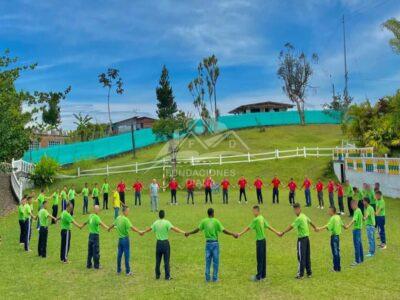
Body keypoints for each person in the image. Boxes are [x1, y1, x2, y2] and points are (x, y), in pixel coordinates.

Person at [185, 208, 237, 282]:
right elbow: (224, 230)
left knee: (208, 261)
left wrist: (189, 233)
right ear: (213, 213)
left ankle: (207, 278)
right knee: (216, 262)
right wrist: (233, 234)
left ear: (207, 214)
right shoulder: (216, 221)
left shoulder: (204, 221)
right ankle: (215, 278)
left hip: (208, 244)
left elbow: (197, 229)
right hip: (215, 244)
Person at [237, 206, 281, 281]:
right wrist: (277, 232)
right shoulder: (262, 218)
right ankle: (263, 276)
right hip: (264, 241)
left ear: (257, 211)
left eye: (254, 211)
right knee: (263, 258)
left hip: (260, 241)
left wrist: (240, 234)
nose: (253, 213)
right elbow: (268, 226)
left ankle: (258, 277)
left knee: (259, 259)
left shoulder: (256, 220)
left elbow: (248, 228)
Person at [142, 210, 186, 280]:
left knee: (158, 260)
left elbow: (149, 229)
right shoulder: (166, 222)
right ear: (164, 215)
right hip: (165, 243)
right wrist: (183, 232)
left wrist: (143, 232)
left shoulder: (156, 223)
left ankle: (157, 275)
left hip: (158, 243)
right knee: (166, 260)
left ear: (158, 215)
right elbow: (175, 229)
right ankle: (167, 276)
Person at [280, 203, 317, 279]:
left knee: (301, 257)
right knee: (307, 256)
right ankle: (309, 272)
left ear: (299, 209)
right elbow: (310, 222)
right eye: (294, 210)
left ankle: (300, 274)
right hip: (307, 239)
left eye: (296, 209)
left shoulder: (299, 218)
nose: (295, 211)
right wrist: (315, 227)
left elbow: (291, 226)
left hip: (302, 240)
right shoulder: (304, 216)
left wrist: (283, 232)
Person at [108, 206, 143, 275]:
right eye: (127, 211)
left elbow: (113, 224)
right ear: (124, 211)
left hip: (120, 240)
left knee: (119, 255)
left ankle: (118, 270)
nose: (128, 213)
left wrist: (109, 228)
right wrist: (139, 232)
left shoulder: (118, 218)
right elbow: (132, 228)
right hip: (125, 239)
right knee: (127, 255)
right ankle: (128, 271)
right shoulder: (126, 220)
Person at [315, 206, 344, 272]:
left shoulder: (332, 218)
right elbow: (342, 224)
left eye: (329, 210)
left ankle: (335, 268)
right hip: (337, 237)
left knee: (335, 252)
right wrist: (346, 226)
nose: (328, 212)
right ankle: (338, 267)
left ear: (331, 211)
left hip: (334, 237)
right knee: (337, 252)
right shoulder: (338, 217)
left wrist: (319, 228)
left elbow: (328, 226)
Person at [81, 205, 109, 269]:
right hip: (95, 236)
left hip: (90, 235)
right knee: (96, 251)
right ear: (95, 210)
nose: (98, 210)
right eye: (97, 209)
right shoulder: (96, 217)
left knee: (90, 250)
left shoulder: (90, 216)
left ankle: (88, 265)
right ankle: (97, 265)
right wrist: (108, 228)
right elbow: (102, 224)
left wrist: (81, 226)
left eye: (98, 209)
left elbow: (86, 222)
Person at [344, 200, 364, 266]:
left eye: (351, 206)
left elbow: (353, 220)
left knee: (356, 245)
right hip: (359, 229)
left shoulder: (356, 211)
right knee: (360, 244)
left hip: (356, 230)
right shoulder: (359, 210)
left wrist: (348, 226)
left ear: (354, 205)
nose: (351, 207)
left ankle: (357, 260)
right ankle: (361, 258)